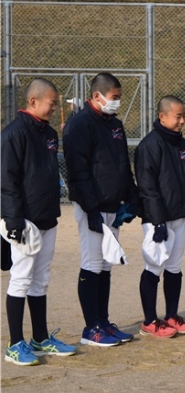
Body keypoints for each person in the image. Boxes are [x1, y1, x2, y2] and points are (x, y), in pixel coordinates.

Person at [1, 78, 77, 365]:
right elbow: (6, 181)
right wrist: (13, 219)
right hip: (24, 220)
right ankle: (14, 344)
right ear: (33, 102)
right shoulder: (14, 133)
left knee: (41, 279)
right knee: (21, 278)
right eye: (51, 103)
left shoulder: (48, 133)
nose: (54, 108)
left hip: (47, 216)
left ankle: (41, 339)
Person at [63, 72, 140, 346]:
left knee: (106, 264)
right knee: (92, 263)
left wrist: (131, 197)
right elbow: (78, 171)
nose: (117, 102)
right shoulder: (80, 124)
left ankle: (104, 322)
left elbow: (122, 164)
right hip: (91, 205)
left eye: (119, 97)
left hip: (112, 203)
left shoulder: (115, 124)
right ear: (97, 96)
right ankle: (91, 328)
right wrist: (91, 210)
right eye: (114, 97)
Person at [134, 95, 185, 338]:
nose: (182, 121)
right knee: (154, 265)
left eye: (184, 116)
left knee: (174, 267)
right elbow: (147, 186)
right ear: (162, 117)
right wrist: (157, 220)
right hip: (157, 219)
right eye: (177, 116)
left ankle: (172, 315)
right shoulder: (149, 146)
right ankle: (150, 321)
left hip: (179, 216)